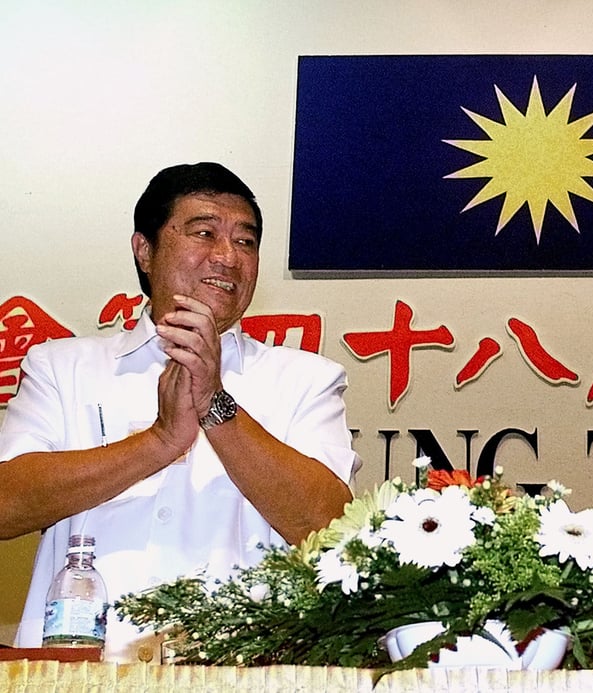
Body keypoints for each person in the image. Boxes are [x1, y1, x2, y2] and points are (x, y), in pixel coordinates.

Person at [0, 162, 361, 661]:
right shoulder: (62, 367)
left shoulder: (306, 379)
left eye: (246, 241)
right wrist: (159, 442)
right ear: (144, 251)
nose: (228, 257)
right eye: (205, 233)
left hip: (244, 673)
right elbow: (7, 504)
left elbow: (332, 527)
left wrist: (216, 404)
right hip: (74, 675)